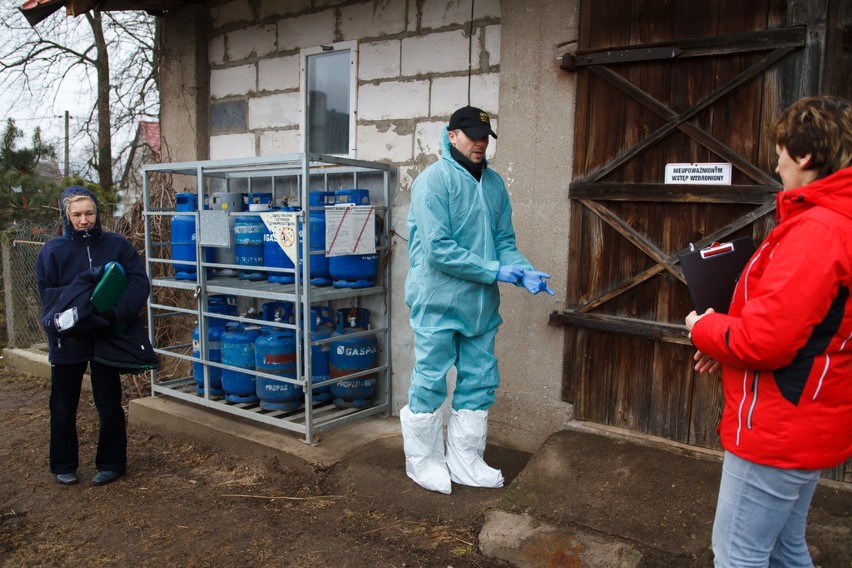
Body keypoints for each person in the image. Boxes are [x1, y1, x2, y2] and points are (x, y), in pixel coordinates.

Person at [685, 95, 852, 567]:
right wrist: (727, 339)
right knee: (784, 547)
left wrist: (705, 328)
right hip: (809, 418)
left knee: (738, 555)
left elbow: (767, 341)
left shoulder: (817, 231)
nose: (775, 161)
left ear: (804, 156)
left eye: (781, 149)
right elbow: (807, 326)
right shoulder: (835, 221)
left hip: (777, 426)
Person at [401, 105, 554, 494]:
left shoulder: (495, 184)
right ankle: (423, 461)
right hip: (436, 299)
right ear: (451, 136)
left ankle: (465, 460)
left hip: (481, 304)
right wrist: (494, 271)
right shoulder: (432, 183)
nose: (480, 142)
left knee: (480, 378)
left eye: (485, 137)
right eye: (471, 135)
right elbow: (438, 249)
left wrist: (520, 269)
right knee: (431, 378)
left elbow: (503, 242)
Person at [36, 186, 154, 487]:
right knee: (63, 404)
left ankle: (112, 463)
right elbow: (48, 297)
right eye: (77, 214)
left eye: (89, 213)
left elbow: (139, 284)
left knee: (109, 402)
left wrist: (112, 314)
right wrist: (78, 312)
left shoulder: (118, 245)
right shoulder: (52, 252)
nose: (84, 219)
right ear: (66, 216)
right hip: (69, 339)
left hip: (107, 335)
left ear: (97, 214)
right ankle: (63, 463)